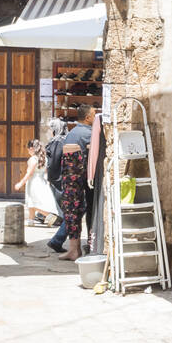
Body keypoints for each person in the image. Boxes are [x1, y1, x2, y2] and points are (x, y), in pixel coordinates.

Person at [57, 105, 95, 261]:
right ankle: (91, 245)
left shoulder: (72, 134)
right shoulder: (90, 134)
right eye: (93, 114)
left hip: (71, 180)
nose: (95, 117)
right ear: (87, 117)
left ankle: (75, 249)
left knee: (73, 212)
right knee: (91, 211)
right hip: (85, 178)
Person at [15, 139, 59, 225]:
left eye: (28, 149)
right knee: (32, 200)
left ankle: (49, 216)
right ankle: (30, 220)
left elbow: (30, 173)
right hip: (41, 181)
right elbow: (46, 172)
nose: (28, 151)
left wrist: (21, 183)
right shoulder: (44, 158)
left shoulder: (33, 159)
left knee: (32, 203)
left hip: (33, 182)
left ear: (31, 148)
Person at [43, 118, 70, 253]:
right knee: (70, 214)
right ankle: (57, 240)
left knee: (68, 214)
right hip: (61, 183)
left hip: (57, 182)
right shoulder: (60, 143)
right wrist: (60, 181)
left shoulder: (54, 142)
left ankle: (59, 240)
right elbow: (54, 166)